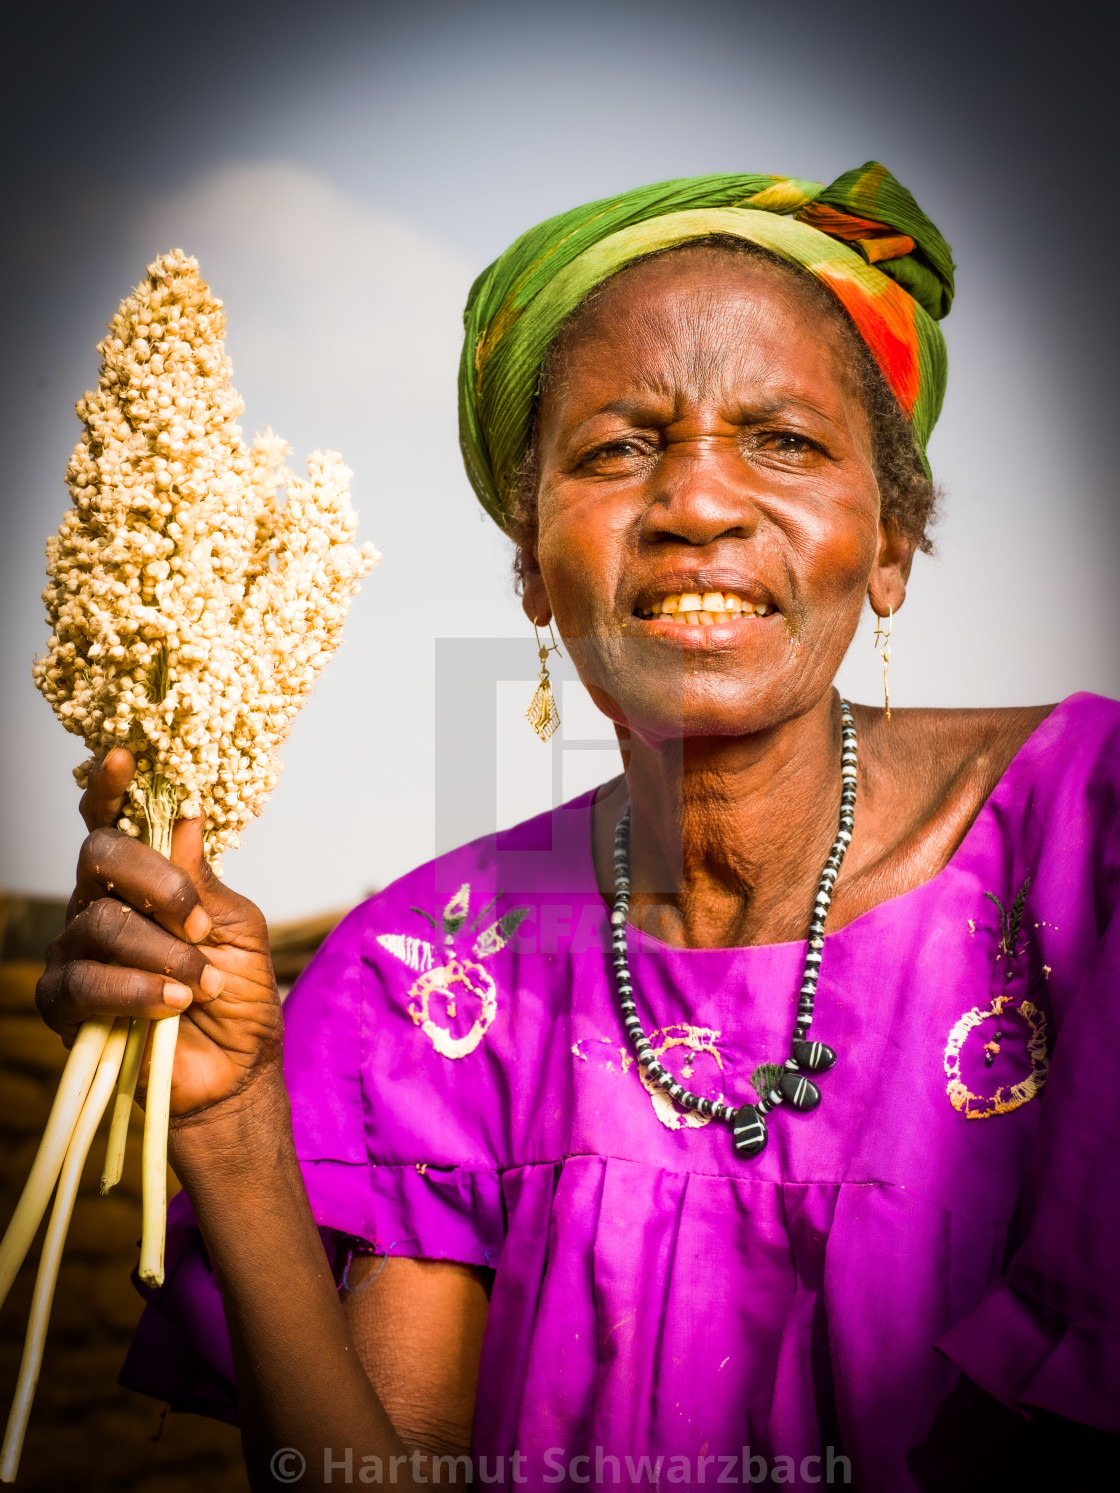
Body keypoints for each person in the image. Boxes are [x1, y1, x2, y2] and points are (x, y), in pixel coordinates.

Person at [35, 165, 1119, 1491]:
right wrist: (235, 1122)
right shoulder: (427, 984)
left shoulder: (1087, 850)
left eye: (782, 438)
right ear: (533, 563)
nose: (699, 504)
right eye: (618, 448)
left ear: (890, 542)